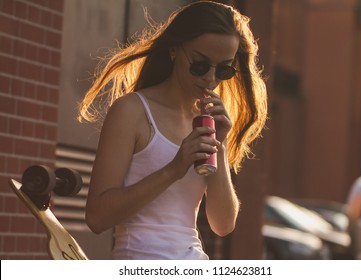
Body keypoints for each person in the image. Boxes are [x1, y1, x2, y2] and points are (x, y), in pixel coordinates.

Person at [78, 1, 267, 260]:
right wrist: (173, 169)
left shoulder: (207, 122)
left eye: (223, 69)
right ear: (175, 49)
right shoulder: (132, 111)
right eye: (200, 64)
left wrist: (220, 145)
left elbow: (223, 225)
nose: (210, 79)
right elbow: (97, 217)